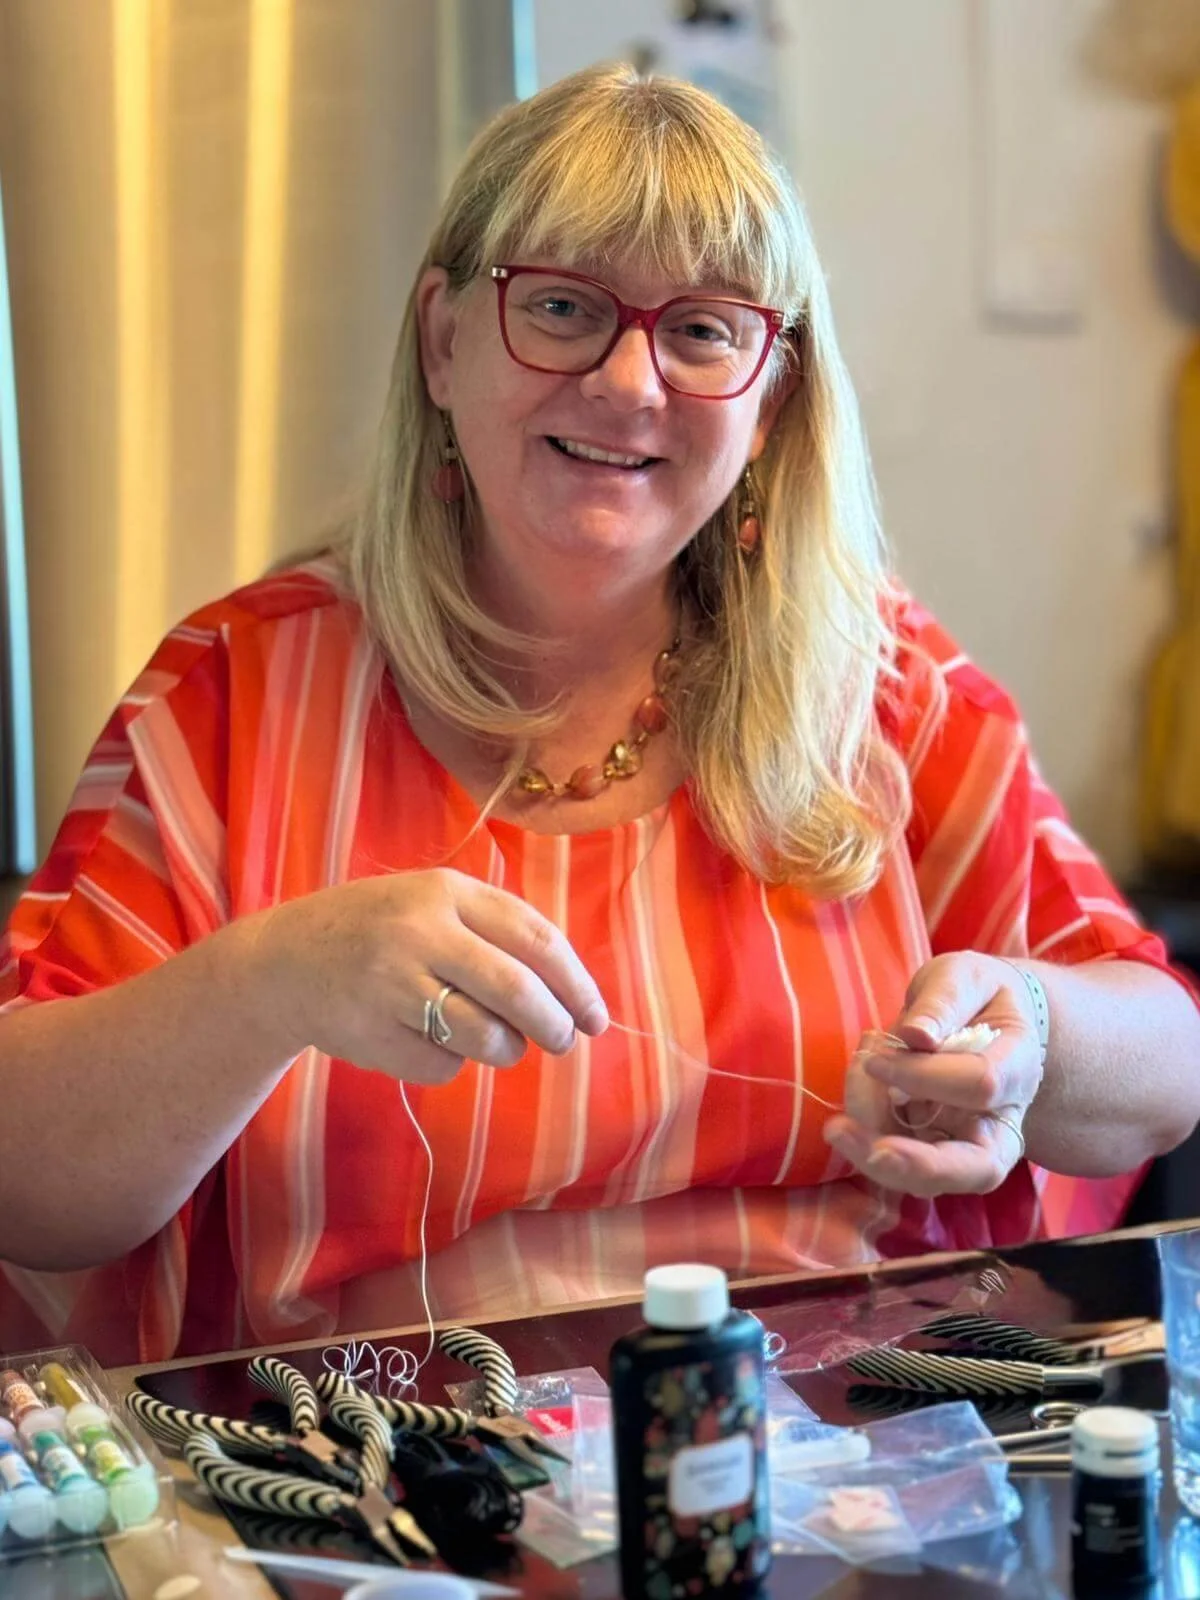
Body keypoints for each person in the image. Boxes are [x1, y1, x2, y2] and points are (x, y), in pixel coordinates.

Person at [1, 65, 1198, 1367]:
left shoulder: (889, 689)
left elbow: (1168, 1071)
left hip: (856, 1460)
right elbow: (29, 1184)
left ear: (771, 398)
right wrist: (271, 979)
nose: (630, 384)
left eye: (702, 332)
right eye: (563, 308)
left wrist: (1035, 1031)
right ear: (442, 343)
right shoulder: (238, 693)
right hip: (389, 1470)